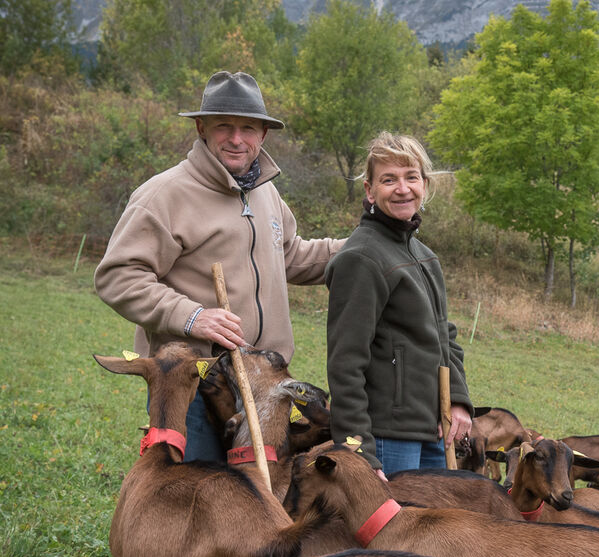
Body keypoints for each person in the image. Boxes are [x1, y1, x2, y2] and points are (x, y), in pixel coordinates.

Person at [95, 71, 343, 461]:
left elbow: (290, 256)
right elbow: (118, 275)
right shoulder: (164, 195)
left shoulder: (265, 192)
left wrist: (363, 247)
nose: (236, 138)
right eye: (224, 126)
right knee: (197, 491)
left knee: (255, 492)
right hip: (194, 384)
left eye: (248, 128)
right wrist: (192, 317)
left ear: (263, 134)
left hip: (262, 384)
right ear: (202, 128)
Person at [325, 132, 473, 480]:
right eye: (389, 179)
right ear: (369, 190)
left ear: (425, 185)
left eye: (411, 177)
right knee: (393, 518)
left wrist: (457, 399)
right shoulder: (362, 259)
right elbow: (346, 363)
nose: (403, 189)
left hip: (433, 430)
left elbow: (444, 335)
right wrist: (359, 452)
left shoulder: (424, 256)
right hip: (386, 437)